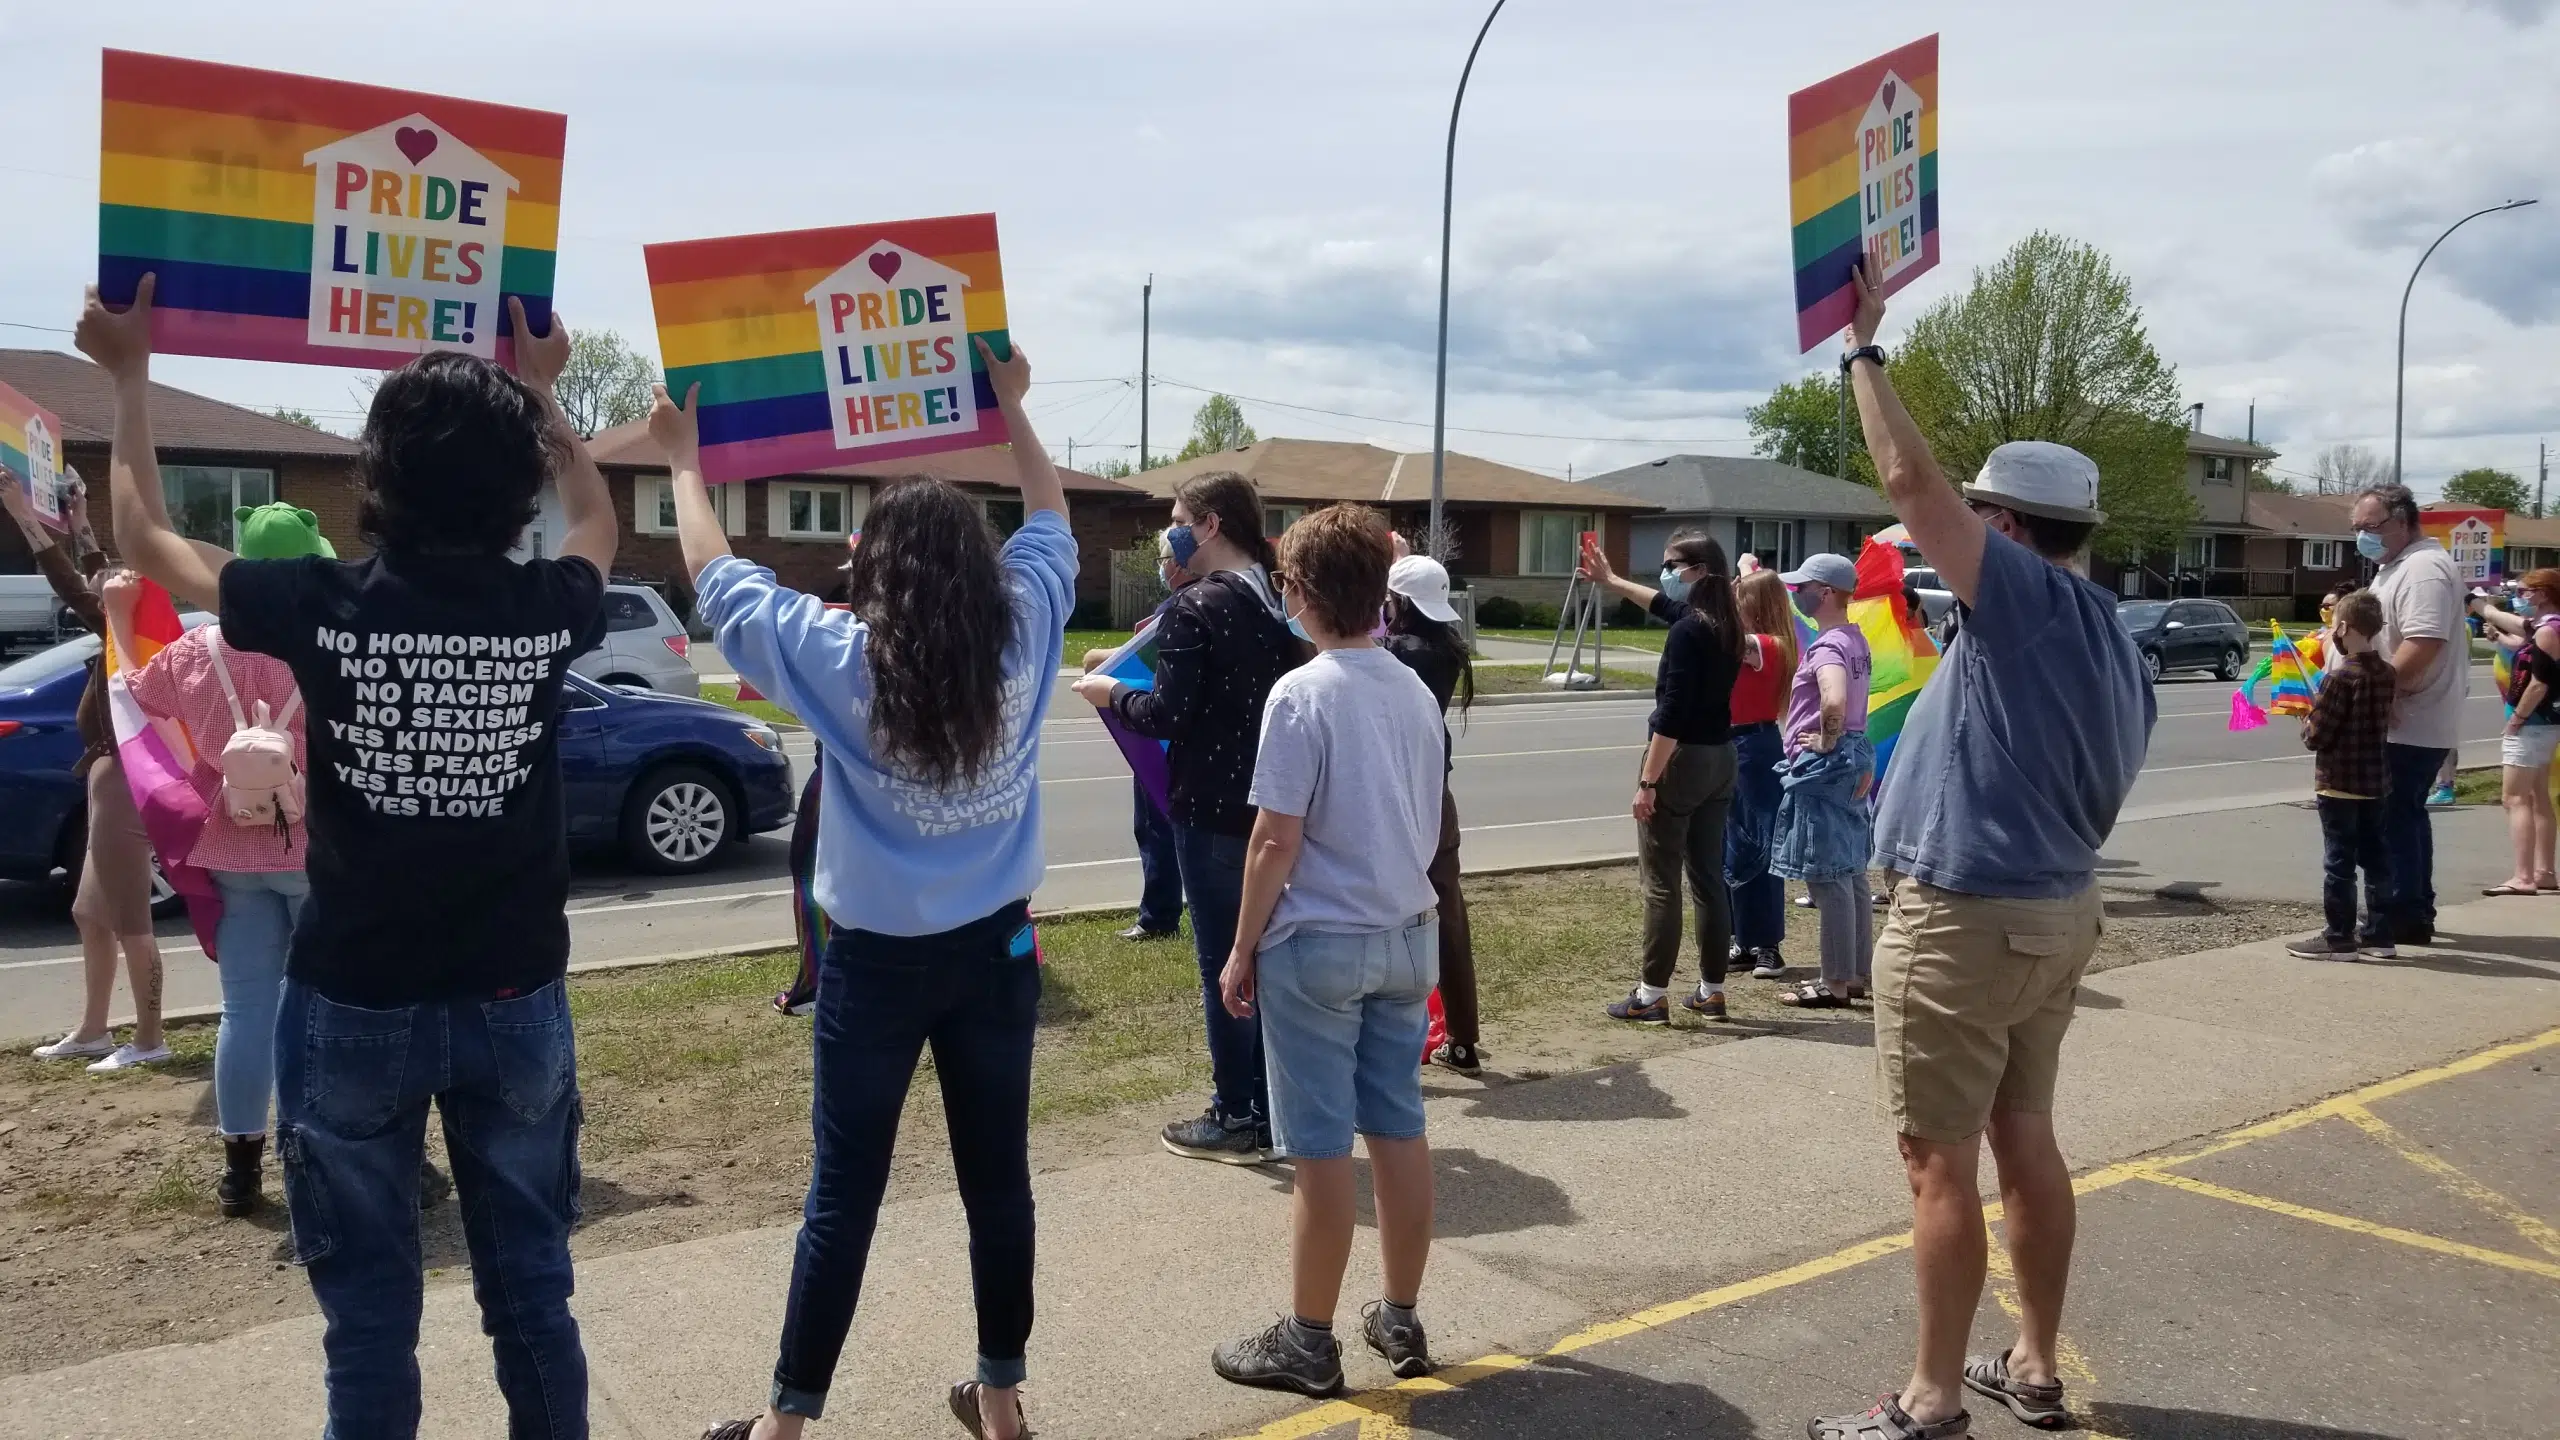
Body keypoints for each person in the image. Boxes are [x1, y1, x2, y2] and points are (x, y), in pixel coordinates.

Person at [82, 274, 615, 1440]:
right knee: (532, 1290)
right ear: (515, 481)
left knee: (369, 1315)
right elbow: (599, 525)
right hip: (515, 996)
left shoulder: (321, 602)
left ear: (376, 479)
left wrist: (128, 377)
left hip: (354, 999)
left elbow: (143, 539)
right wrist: (546, 395)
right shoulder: (546, 608)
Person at [663, 341, 1070, 1440]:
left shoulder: (842, 659)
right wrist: (1014, 412)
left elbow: (716, 576)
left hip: (878, 968)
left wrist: (684, 463)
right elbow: (1050, 519)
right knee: (1000, 1183)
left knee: (842, 1199)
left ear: (873, 567)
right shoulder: (1025, 634)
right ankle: (998, 1399)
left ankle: (787, 1426)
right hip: (998, 956)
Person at [1809, 262, 2155, 1440]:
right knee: (2025, 1138)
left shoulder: (2024, 606)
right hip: (2050, 914)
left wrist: (1862, 350)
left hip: (1963, 917)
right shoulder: (2109, 634)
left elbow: (1907, 482)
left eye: (1979, 518)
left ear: (2004, 530)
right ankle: (2035, 1364)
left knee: (1935, 1164)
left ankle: (1931, 1399)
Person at [1207, 503, 1445, 1398]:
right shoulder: (1412, 688)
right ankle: (1401, 1313)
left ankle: (1309, 1339)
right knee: (1399, 1127)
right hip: (1403, 931)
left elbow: (1275, 838)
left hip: (1320, 941)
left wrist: (1240, 948)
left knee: (1318, 1148)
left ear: (1299, 593)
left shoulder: (1302, 693)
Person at [100, 502, 329, 1216]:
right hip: (318, 849)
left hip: (231, 848)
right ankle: (334, 1153)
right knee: (334, 1007)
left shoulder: (197, 653)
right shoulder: (329, 646)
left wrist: (116, 614)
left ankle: (240, 1170)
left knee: (246, 1010)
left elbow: (132, 693)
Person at [1069, 473, 1302, 1164]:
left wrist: (1112, 694)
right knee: (1264, 959)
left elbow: (1166, 712)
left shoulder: (1197, 607)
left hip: (1209, 813)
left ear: (1207, 525)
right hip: (1270, 806)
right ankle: (1275, 1107)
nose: (1168, 532)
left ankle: (1238, 1116)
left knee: (1226, 969)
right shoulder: (1276, 598)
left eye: (1176, 520)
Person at [7, 476, 171, 1071]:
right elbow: (95, 574)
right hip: (106, 776)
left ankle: (149, 1040)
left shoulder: (131, 639)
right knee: (88, 912)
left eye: (125, 579)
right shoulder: (122, 630)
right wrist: (78, 521)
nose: (111, 577)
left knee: (132, 918)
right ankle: (94, 1029)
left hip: (126, 782)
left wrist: (24, 516)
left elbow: (73, 584)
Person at [1577, 530, 1745, 1021]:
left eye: (1672, 565)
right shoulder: (1724, 622)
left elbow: (1671, 714)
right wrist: (1611, 581)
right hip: (1721, 758)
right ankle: (1712, 990)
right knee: (1710, 879)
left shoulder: (1690, 631)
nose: (1665, 574)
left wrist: (1648, 782)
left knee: (1662, 882)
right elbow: (1664, 607)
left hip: (1682, 760)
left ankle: (1651, 993)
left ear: (1697, 570)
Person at [1381, 536, 1483, 1074]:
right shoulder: (1446, 650)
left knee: (1388, 919)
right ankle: (1463, 1041)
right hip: (1437, 801)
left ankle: (1390, 1040)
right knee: (1449, 921)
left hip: (1397, 801)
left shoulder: (1399, 655)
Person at [2351, 482, 2469, 945]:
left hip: (2409, 721)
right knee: (2402, 815)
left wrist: (2379, 696)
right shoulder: (2394, 567)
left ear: (2402, 522)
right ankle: (2412, 910)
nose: (2362, 536)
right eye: (2356, 529)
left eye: (2370, 526)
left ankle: (2400, 912)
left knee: (2391, 818)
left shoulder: (2423, 570)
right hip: (2403, 720)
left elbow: (2422, 643)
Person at [1768, 554, 1875, 1008]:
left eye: (1802, 587)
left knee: (1827, 875)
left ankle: (1833, 982)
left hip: (1826, 768)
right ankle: (1854, 975)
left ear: (1826, 592)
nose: (1797, 595)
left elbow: (1832, 699)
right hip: (1853, 757)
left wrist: (1825, 742)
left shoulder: (1829, 647)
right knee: (1851, 873)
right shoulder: (1855, 639)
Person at [1083, 529, 1195, 943]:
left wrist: (1100, 665)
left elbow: (1121, 658)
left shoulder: (1185, 607)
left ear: (1180, 563)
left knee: (1156, 825)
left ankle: (1158, 915)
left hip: (1161, 726)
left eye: (1165, 558)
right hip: (1196, 733)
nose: (1162, 567)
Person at [2287, 591, 2397, 958]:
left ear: (2345, 627)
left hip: (2338, 783)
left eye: (2334, 624)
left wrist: (2307, 718)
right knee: (2377, 858)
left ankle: (2339, 936)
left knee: (2339, 863)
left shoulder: (2338, 678)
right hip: (2375, 781)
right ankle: (2380, 935)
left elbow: (2317, 736)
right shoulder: (2386, 673)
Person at [1725, 568, 1796, 978]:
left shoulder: (1771, 645)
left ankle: (1768, 943)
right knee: (1731, 845)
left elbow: (1734, 642)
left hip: (1756, 744)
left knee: (1763, 843)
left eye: (1741, 598)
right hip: (1729, 742)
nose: (1735, 604)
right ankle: (1742, 937)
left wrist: (1732, 584)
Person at [2474, 569, 2560, 894]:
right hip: (2545, 724)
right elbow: (2517, 635)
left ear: (2544, 593)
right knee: (2538, 797)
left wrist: (2517, 719)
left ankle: (2523, 876)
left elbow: (2539, 682)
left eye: (2525, 590)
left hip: (2532, 725)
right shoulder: (2545, 628)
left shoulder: (2548, 631)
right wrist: (2482, 608)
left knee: (2514, 798)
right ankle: (2544, 872)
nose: (2520, 595)